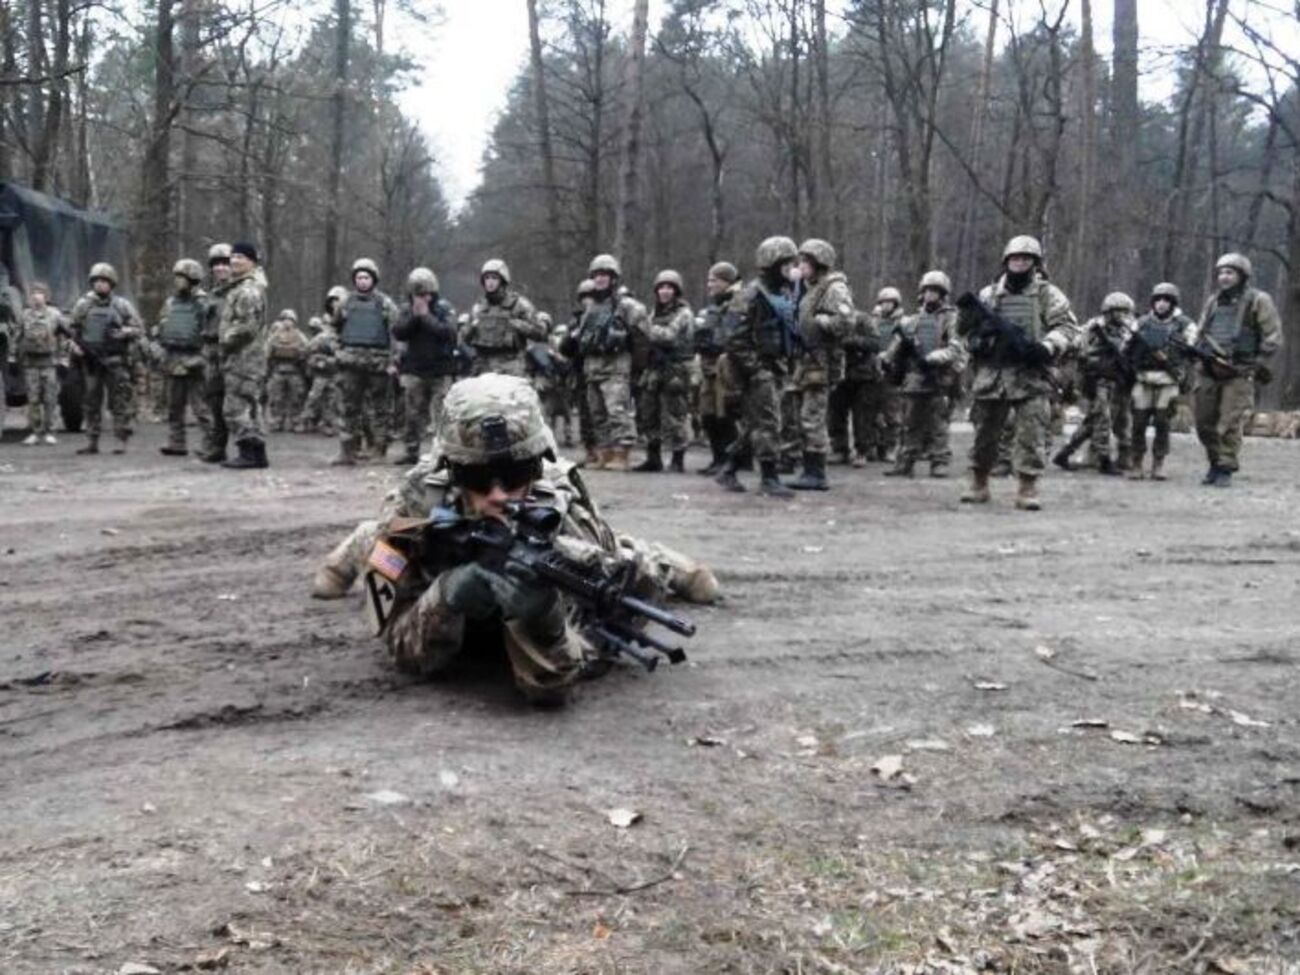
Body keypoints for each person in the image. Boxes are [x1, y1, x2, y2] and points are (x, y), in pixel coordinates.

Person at [309, 374, 718, 706]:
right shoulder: (411, 511)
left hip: (575, 560)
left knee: (638, 566)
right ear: (452, 470)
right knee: (373, 541)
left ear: (537, 466)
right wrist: (445, 596)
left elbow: (565, 675)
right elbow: (398, 645)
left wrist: (545, 619)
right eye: (477, 478)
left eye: (516, 475)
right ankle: (349, 549)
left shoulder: (560, 522)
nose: (498, 496)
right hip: (419, 554)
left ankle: (670, 562)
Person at [957, 235, 1078, 510]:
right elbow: (963, 332)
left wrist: (1047, 346)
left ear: (1036, 263)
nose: (1020, 263)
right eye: (1015, 258)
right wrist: (977, 340)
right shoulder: (988, 296)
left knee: (1031, 434)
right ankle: (979, 482)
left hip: (1030, 374)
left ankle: (1027, 486)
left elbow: (1068, 327)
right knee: (984, 433)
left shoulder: (1048, 294)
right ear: (1006, 261)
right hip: (992, 374)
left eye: (1026, 259)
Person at [714, 236, 801, 497]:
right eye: (787, 264)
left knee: (757, 422)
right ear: (774, 265)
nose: (792, 270)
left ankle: (729, 467)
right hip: (757, 369)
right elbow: (734, 338)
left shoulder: (780, 294)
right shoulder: (751, 295)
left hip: (774, 365)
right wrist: (755, 368)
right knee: (768, 423)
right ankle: (768, 477)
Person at [1192, 252, 1284, 487]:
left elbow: (1273, 336)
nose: (1224, 277)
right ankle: (1214, 461)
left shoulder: (1258, 300)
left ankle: (1225, 466)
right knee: (1203, 422)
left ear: (1242, 276)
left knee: (1230, 422)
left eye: (1230, 273)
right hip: (1209, 369)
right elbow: (1201, 332)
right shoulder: (1213, 302)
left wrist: (1257, 363)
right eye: (1221, 273)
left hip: (1239, 371)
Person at [881, 270, 966, 477]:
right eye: (927, 291)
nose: (930, 295)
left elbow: (956, 348)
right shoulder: (912, 320)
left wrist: (932, 359)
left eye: (935, 291)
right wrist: (888, 359)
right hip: (915, 378)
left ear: (943, 294)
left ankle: (939, 461)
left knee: (938, 424)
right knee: (910, 422)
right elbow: (896, 346)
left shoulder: (952, 319)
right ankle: (905, 462)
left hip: (940, 376)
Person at [566, 254, 646, 470]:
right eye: (597, 275)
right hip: (592, 368)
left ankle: (621, 454)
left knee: (617, 411)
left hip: (616, 367)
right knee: (597, 414)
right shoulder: (591, 308)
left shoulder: (626, 306)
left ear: (613, 278)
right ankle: (605, 453)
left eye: (605, 275)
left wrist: (637, 367)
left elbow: (641, 337)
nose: (600, 279)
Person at [788, 239, 853, 491]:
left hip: (821, 360)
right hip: (806, 360)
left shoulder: (834, 288)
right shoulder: (809, 289)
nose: (801, 266)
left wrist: (820, 322)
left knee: (812, 416)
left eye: (806, 261)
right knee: (802, 415)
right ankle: (808, 468)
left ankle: (816, 472)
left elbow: (846, 322)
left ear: (819, 263)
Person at [1053, 292, 1136, 476]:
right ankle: (1104, 459)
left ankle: (1064, 453)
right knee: (1103, 418)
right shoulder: (1093, 328)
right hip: (1095, 380)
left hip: (1115, 381)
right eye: (1119, 311)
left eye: (1125, 312)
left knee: (1094, 421)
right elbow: (1076, 347)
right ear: (1109, 312)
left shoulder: (1126, 332)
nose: (1122, 316)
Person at [69, 263, 145, 455]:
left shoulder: (121, 305)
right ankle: (92, 440)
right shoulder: (83, 305)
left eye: (104, 281)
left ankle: (120, 440)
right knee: (91, 402)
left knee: (119, 402)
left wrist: (124, 332)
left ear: (111, 283)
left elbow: (139, 329)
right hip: (91, 363)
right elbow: (72, 331)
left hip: (114, 361)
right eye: (96, 281)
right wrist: (74, 347)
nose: (100, 284)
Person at [332, 257, 400, 465]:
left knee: (381, 409)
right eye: (359, 277)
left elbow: (395, 334)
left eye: (366, 277)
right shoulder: (345, 303)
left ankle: (379, 449)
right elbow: (334, 329)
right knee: (348, 407)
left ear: (373, 279)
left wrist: (393, 361)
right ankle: (347, 451)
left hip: (378, 363)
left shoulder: (385, 304)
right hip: (350, 362)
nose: (362, 281)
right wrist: (337, 352)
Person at [1126, 283, 1196, 480]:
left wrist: (1179, 362)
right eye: (1158, 299)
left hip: (1169, 380)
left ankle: (1158, 463)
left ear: (1173, 303)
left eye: (1166, 300)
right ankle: (1137, 462)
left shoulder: (1184, 325)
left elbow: (1192, 350)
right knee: (1138, 422)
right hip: (1143, 378)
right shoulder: (1141, 323)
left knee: (1162, 422)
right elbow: (1126, 347)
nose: (1162, 304)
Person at [392, 266, 458, 465]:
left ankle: (443, 453)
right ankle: (411, 451)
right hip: (415, 370)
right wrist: (415, 316)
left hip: (440, 370)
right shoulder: (406, 309)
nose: (424, 298)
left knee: (441, 414)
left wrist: (426, 316)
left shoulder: (444, 309)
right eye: (419, 294)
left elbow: (449, 333)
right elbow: (399, 332)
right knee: (412, 414)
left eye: (427, 294)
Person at [634, 270, 695, 473]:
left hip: (675, 367)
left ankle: (678, 458)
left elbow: (669, 336)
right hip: (654, 367)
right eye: (661, 287)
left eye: (669, 288)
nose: (665, 291)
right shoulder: (654, 313)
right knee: (648, 412)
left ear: (676, 291)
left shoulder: (684, 313)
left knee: (675, 414)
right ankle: (653, 457)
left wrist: (645, 328)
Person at [153, 259, 214, 456]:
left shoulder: (204, 303)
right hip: (173, 359)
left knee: (201, 407)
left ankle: (211, 444)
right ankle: (177, 443)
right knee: (174, 406)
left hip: (195, 359)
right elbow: (162, 327)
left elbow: (212, 334)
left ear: (193, 279)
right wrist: (159, 348)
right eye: (176, 277)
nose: (177, 281)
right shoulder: (170, 303)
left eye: (182, 277)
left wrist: (203, 358)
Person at [217, 242, 270, 469]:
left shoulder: (247, 291)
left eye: (241, 257)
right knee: (251, 406)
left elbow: (247, 327)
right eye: (233, 256)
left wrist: (225, 340)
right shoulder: (245, 287)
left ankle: (247, 454)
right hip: (249, 357)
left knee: (235, 407)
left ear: (252, 262)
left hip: (243, 357)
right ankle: (258, 454)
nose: (235, 261)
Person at [693, 262, 742, 475]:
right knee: (708, 414)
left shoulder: (737, 304)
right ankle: (718, 458)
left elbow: (732, 336)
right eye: (709, 280)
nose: (709, 284)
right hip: (708, 368)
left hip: (726, 368)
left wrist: (713, 341)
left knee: (725, 416)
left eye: (714, 280)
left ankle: (732, 460)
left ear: (727, 282)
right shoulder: (712, 307)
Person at [462, 259, 542, 377]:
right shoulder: (479, 308)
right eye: (487, 278)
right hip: (484, 367)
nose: (490, 282)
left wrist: (519, 325)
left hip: (511, 366)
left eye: (494, 278)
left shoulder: (519, 305)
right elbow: (464, 338)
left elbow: (540, 332)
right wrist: (473, 327)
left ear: (503, 280)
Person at [15, 282, 67, 445]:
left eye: (40, 293)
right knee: (33, 398)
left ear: (46, 296)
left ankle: (50, 431)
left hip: (49, 363)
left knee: (50, 398)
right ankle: (36, 431)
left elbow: (65, 335)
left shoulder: (55, 315)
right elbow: (18, 336)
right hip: (30, 363)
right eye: (33, 293)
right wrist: (13, 357)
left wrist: (64, 358)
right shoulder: (24, 315)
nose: (36, 296)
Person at [200, 243, 233, 463]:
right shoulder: (211, 295)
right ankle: (217, 447)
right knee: (215, 400)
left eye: (225, 263)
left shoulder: (241, 292)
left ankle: (250, 448)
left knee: (238, 402)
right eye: (216, 264)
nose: (220, 268)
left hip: (233, 351)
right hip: (211, 352)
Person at [264, 309, 308, 433]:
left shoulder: (300, 336)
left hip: (295, 371)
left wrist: (300, 355)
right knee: (276, 398)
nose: (287, 322)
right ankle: (277, 421)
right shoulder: (275, 336)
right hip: (278, 371)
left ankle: (296, 421)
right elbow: (267, 352)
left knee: (296, 398)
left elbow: (307, 350)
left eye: (290, 319)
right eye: (284, 319)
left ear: (294, 321)